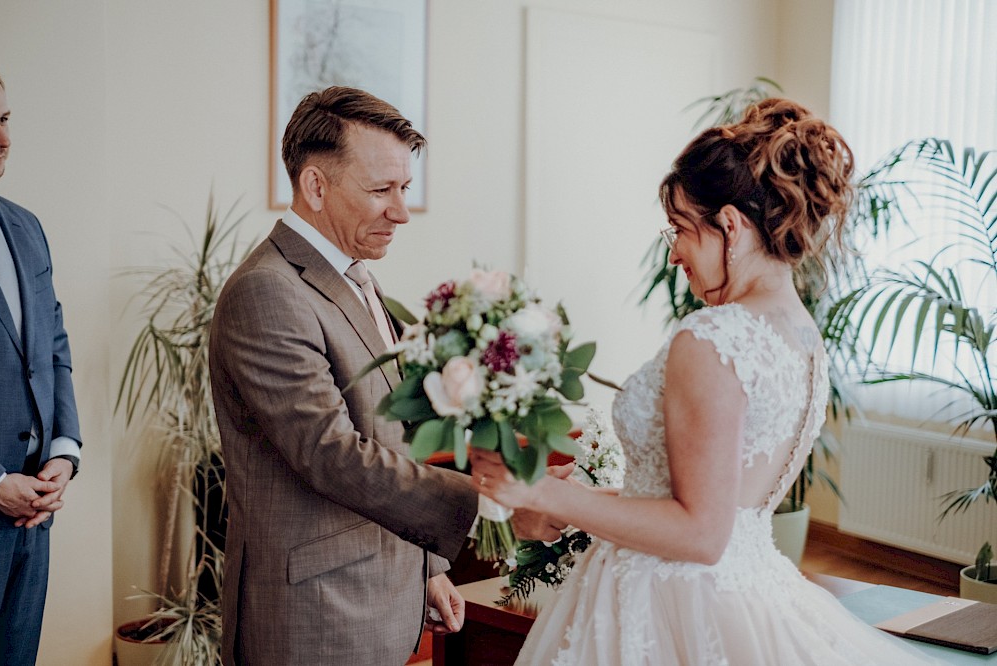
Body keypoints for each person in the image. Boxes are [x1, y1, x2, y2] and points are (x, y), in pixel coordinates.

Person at [470, 99, 945, 665]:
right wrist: (581, 501)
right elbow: (718, 504)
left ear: (731, 225)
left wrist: (544, 492)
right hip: (746, 589)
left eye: (680, 230)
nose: (673, 254)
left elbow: (700, 533)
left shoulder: (711, 338)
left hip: (666, 603)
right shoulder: (800, 336)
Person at [210, 86, 566, 665]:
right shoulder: (266, 291)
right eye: (382, 190)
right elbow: (333, 454)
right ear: (316, 186)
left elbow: (390, 437)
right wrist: (488, 505)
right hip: (313, 617)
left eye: (404, 188)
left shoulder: (359, 278)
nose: (400, 211)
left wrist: (427, 567)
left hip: (378, 597)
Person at [0, 70, 83, 665]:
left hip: (33, 521)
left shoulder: (27, 227)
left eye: (3, 120)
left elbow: (53, 348)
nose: (1, 138)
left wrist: (64, 450)